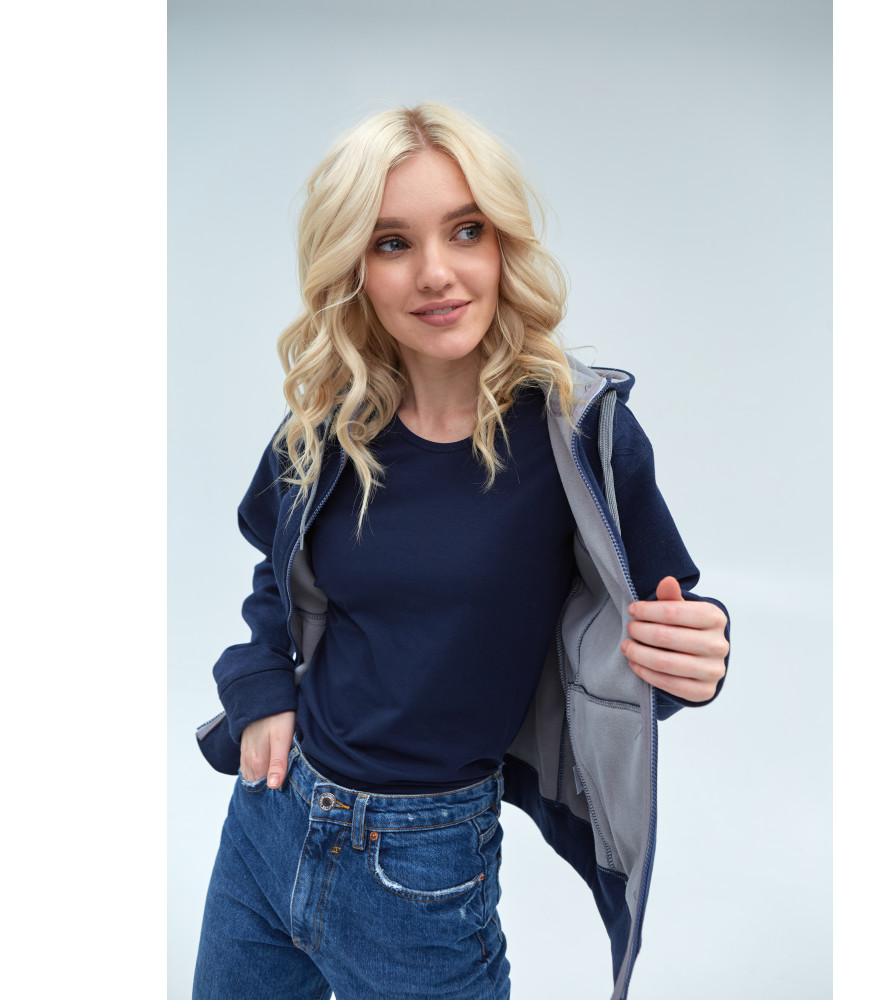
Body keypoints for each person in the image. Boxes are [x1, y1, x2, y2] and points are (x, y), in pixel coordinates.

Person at [193, 102, 730, 1000]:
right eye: (392, 243)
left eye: (466, 230)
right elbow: (274, 586)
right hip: (269, 820)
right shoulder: (326, 428)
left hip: (421, 870)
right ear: (354, 269)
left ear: (503, 243)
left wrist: (695, 659)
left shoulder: (578, 439)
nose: (437, 272)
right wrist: (258, 691)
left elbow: (655, 632)